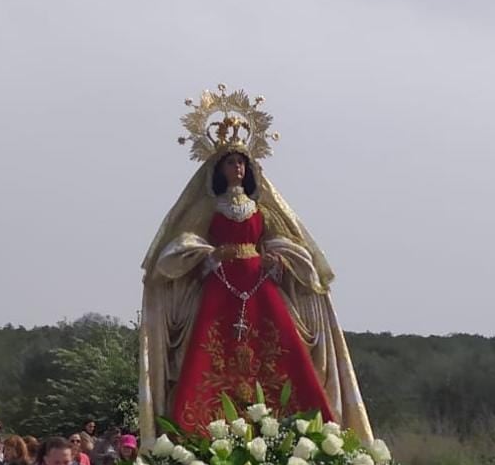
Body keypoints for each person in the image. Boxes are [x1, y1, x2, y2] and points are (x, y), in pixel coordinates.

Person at [139, 86, 370, 441]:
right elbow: (183, 243)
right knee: (211, 354)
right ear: (219, 169)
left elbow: (284, 240)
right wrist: (209, 256)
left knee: (279, 353)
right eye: (231, 162)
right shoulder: (208, 207)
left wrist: (278, 258)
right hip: (220, 286)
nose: (238, 167)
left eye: (242, 162)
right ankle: (198, 432)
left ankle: (297, 431)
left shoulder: (261, 208)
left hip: (260, 285)